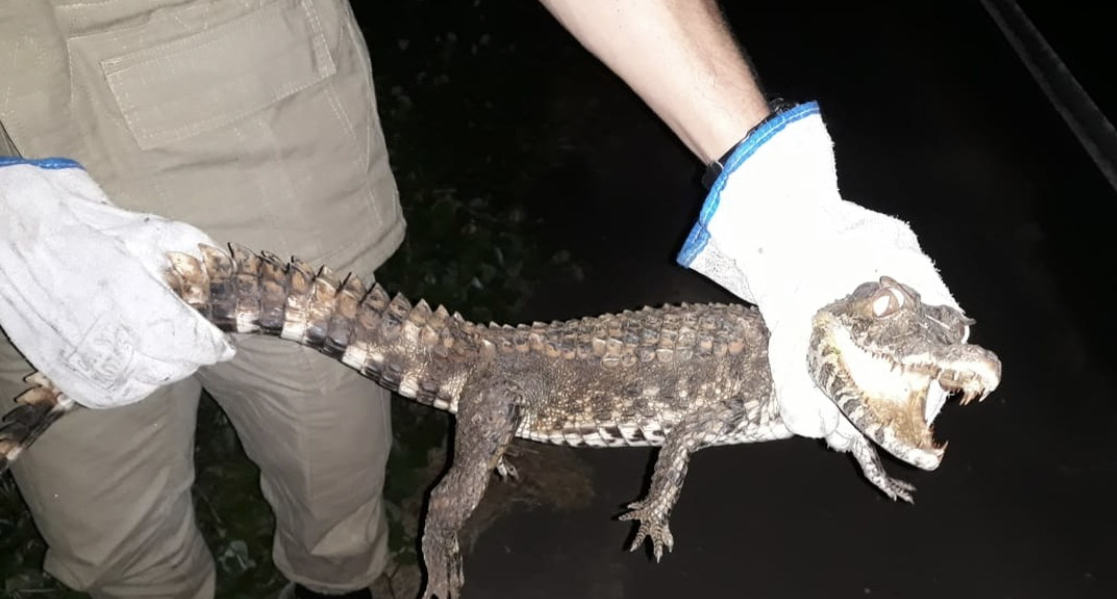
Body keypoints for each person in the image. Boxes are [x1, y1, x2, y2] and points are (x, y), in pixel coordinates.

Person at [0, 1, 965, 598]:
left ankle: (341, 581)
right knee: (113, 525)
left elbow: (758, 417)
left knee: (330, 458)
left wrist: (780, 186)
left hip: (241, 113)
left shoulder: (800, 366)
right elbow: (685, 434)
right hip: (27, 158)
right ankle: (436, 558)